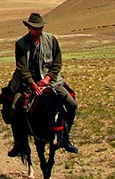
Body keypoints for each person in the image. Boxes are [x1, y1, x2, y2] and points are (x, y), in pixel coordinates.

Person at [6, 12, 79, 155]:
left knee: (72, 104)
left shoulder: (51, 40)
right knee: (14, 107)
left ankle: (66, 139)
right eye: (34, 28)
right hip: (26, 82)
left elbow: (57, 63)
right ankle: (19, 144)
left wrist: (48, 78)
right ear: (29, 28)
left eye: (39, 28)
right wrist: (32, 84)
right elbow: (22, 67)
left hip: (50, 82)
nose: (37, 30)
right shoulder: (20, 44)